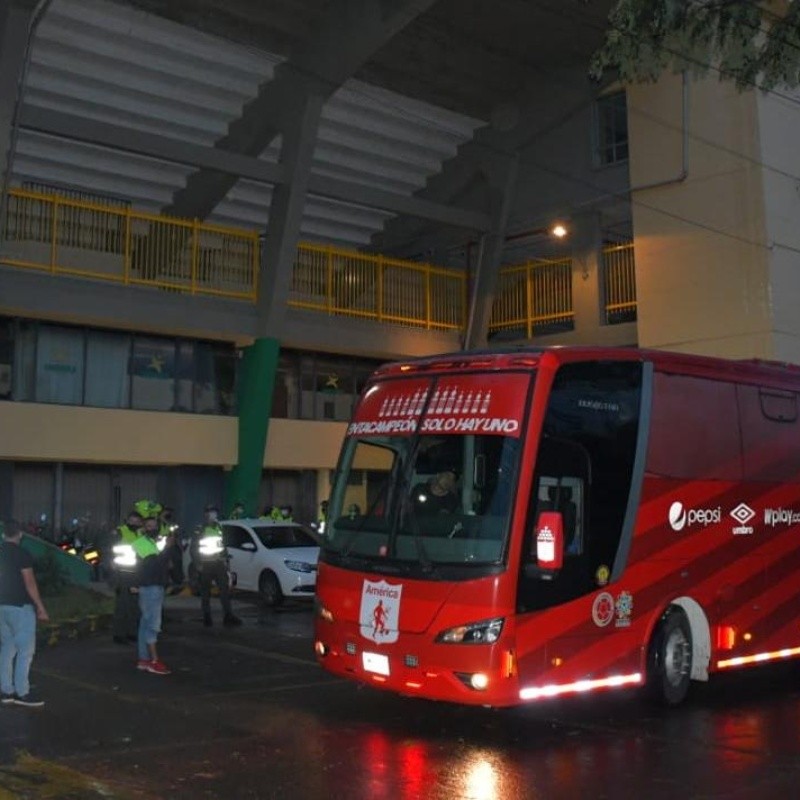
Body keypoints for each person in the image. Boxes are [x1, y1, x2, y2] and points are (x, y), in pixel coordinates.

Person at [0, 519, 49, 707]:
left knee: (7, 648)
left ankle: (6, 690)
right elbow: (29, 583)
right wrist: (40, 607)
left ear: (4, 534)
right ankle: (22, 692)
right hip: (20, 607)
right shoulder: (22, 554)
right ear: (20, 534)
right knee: (25, 651)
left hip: (2, 606)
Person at [132, 515, 171, 675]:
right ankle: (154, 661)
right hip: (150, 587)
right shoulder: (141, 544)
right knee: (152, 625)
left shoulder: (152, 543)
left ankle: (144, 659)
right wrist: (167, 549)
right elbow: (153, 564)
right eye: (149, 526)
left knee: (145, 623)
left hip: (151, 586)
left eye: (155, 525)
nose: (152, 528)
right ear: (143, 527)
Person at [191, 505, 241, 628]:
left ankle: (228, 616)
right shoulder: (200, 529)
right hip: (206, 564)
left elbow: (222, 545)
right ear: (206, 514)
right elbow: (194, 549)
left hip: (219, 564)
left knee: (224, 590)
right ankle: (207, 617)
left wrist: (226, 559)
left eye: (215, 512)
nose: (214, 515)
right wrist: (198, 564)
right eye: (211, 512)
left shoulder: (219, 527)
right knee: (205, 593)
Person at [110, 510, 143, 645]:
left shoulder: (140, 534)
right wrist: (113, 575)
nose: (134, 523)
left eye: (137, 521)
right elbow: (110, 552)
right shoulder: (119, 532)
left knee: (134, 605)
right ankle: (119, 634)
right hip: (122, 574)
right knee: (122, 605)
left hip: (136, 574)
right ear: (127, 520)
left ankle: (132, 633)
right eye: (132, 521)